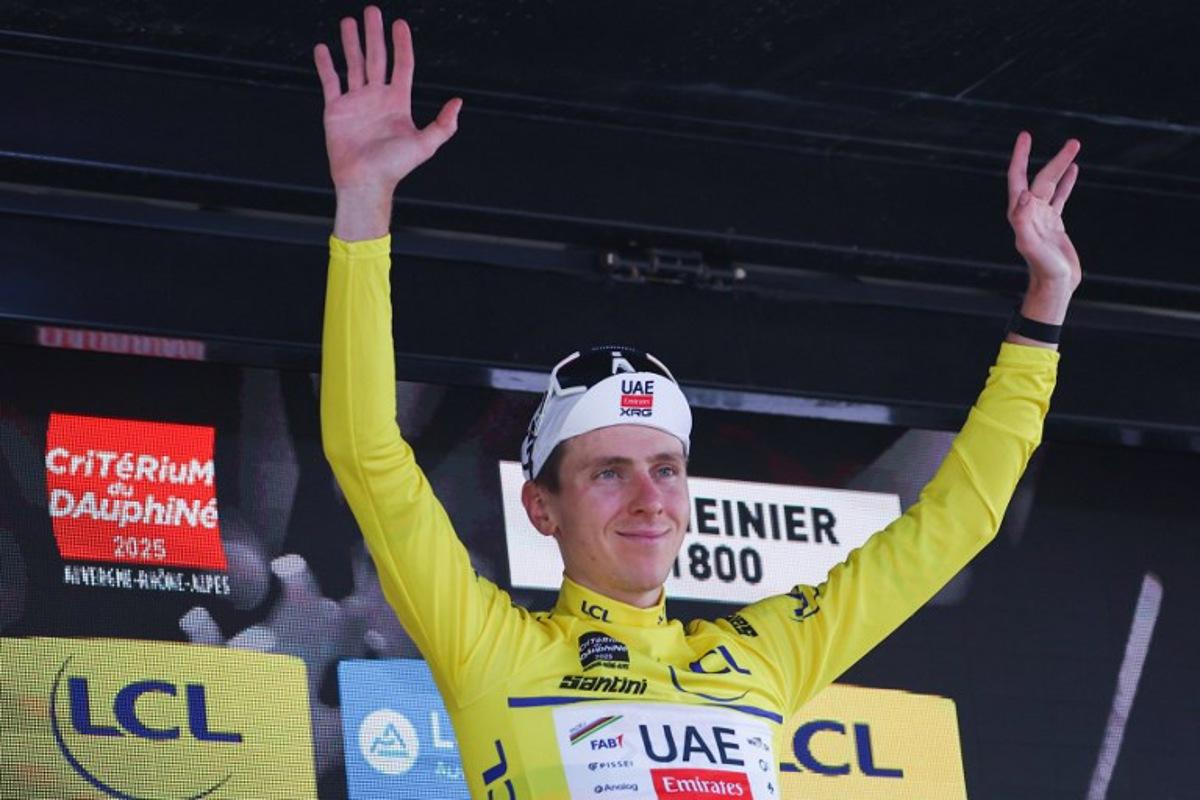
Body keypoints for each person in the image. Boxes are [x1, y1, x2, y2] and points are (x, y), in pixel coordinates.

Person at [316, 7, 1081, 798]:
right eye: (609, 472)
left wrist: (1046, 308)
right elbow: (367, 453)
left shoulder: (762, 656)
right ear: (541, 508)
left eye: (667, 468)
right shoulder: (493, 651)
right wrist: (366, 202)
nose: (651, 498)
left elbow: (956, 525)